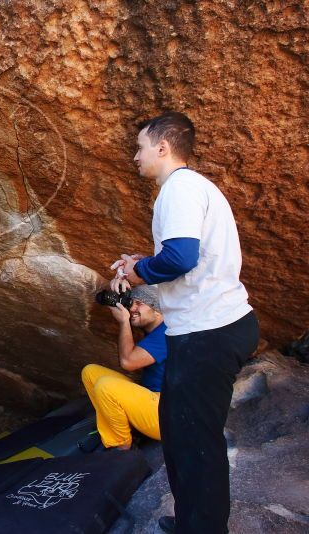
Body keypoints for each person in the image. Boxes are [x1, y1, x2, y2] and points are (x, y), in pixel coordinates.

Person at [110, 112, 259, 534]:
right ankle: (195, 520)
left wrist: (138, 274)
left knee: (197, 444)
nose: (135, 156)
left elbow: (180, 258)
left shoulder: (179, 188)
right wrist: (141, 262)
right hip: (199, 331)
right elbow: (183, 260)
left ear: (163, 147)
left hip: (208, 333)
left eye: (140, 147)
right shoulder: (190, 190)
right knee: (179, 436)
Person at [82, 285, 166, 450]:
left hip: (169, 415)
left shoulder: (167, 333)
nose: (132, 308)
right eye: (130, 303)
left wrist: (124, 322)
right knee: (91, 372)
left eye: (139, 304)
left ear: (157, 309)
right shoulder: (156, 331)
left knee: (106, 386)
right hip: (152, 400)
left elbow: (128, 362)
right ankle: (120, 431)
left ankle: (121, 446)